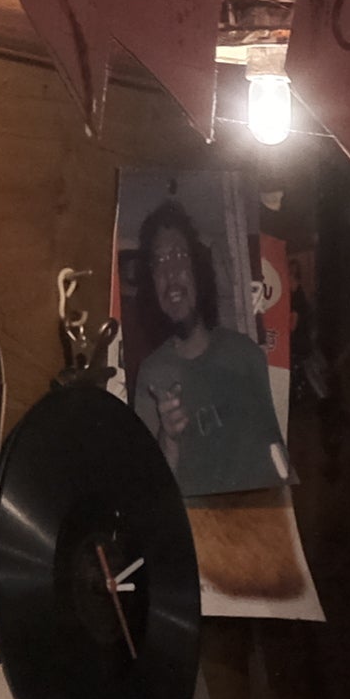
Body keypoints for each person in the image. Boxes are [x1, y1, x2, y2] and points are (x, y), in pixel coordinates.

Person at [122, 195, 281, 503]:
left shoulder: (245, 354)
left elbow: (274, 457)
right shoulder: (152, 375)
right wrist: (169, 438)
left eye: (179, 255)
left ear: (199, 271)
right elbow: (152, 491)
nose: (170, 273)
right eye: (159, 262)